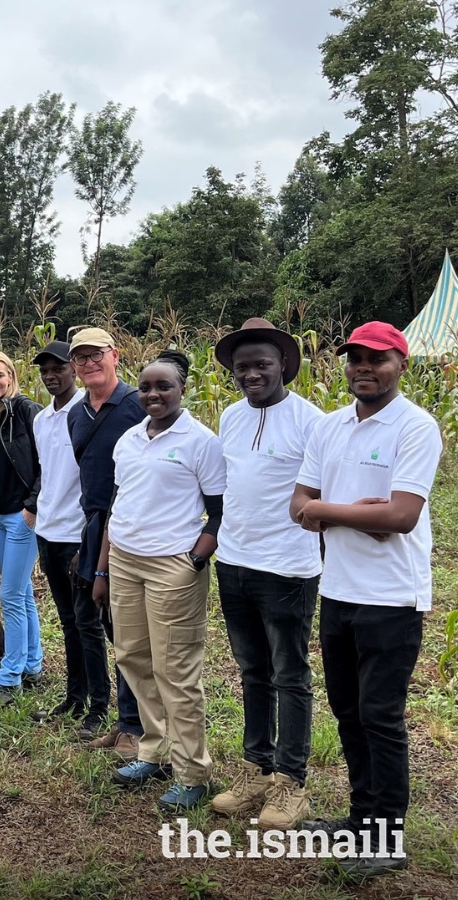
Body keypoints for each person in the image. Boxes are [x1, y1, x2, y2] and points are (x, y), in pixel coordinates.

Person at [292, 322, 442, 879]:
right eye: (355, 358)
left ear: (401, 364)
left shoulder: (414, 427)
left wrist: (329, 510)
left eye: (377, 359)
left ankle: (388, 837)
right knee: (348, 712)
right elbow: (297, 504)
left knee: (381, 716)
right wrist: (358, 512)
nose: (363, 368)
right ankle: (360, 820)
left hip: (392, 597)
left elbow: (401, 516)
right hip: (338, 590)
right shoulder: (329, 428)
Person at [94, 350, 226, 812]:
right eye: (146, 387)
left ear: (182, 389)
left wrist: (195, 558)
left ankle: (192, 771)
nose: (153, 394)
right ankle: (154, 750)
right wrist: (104, 567)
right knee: (133, 656)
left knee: (176, 669)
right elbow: (118, 504)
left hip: (173, 564)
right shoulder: (129, 439)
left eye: (163, 386)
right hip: (126, 561)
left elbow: (219, 510)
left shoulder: (200, 441)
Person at [208, 320, 323, 829]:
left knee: (289, 674)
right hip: (233, 563)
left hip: (288, 568)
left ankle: (291, 782)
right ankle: (258, 766)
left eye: (262, 365)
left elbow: (323, 495)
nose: (251, 374)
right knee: (252, 671)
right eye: (242, 367)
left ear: (283, 367)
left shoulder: (311, 422)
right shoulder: (230, 417)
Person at [66, 328, 146, 759]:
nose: (89, 363)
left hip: (128, 528)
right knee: (94, 621)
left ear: (115, 355)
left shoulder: (137, 405)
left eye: (96, 355)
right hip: (93, 526)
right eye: (81, 358)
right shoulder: (78, 413)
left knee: (127, 632)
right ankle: (122, 720)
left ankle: (139, 728)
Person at [30, 340, 110, 738]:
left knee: (89, 622)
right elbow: (48, 472)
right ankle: (74, 697)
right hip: (48, 531)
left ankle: (99, 705)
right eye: (44, 370)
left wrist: (90, 541)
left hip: (80, 534)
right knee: (67, 621)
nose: (51, 376)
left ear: (73, 370)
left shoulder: (88, 414)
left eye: (58, 368)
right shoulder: (42, 419)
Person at [0, 350, 45, 706]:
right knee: (23, 592)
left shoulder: (27, 411)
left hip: (22, 517)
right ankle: (32, 663)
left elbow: (48, 462)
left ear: (12, 377)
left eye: (0, 375)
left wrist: (32, 505)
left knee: (11, 596)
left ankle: (9, 678)